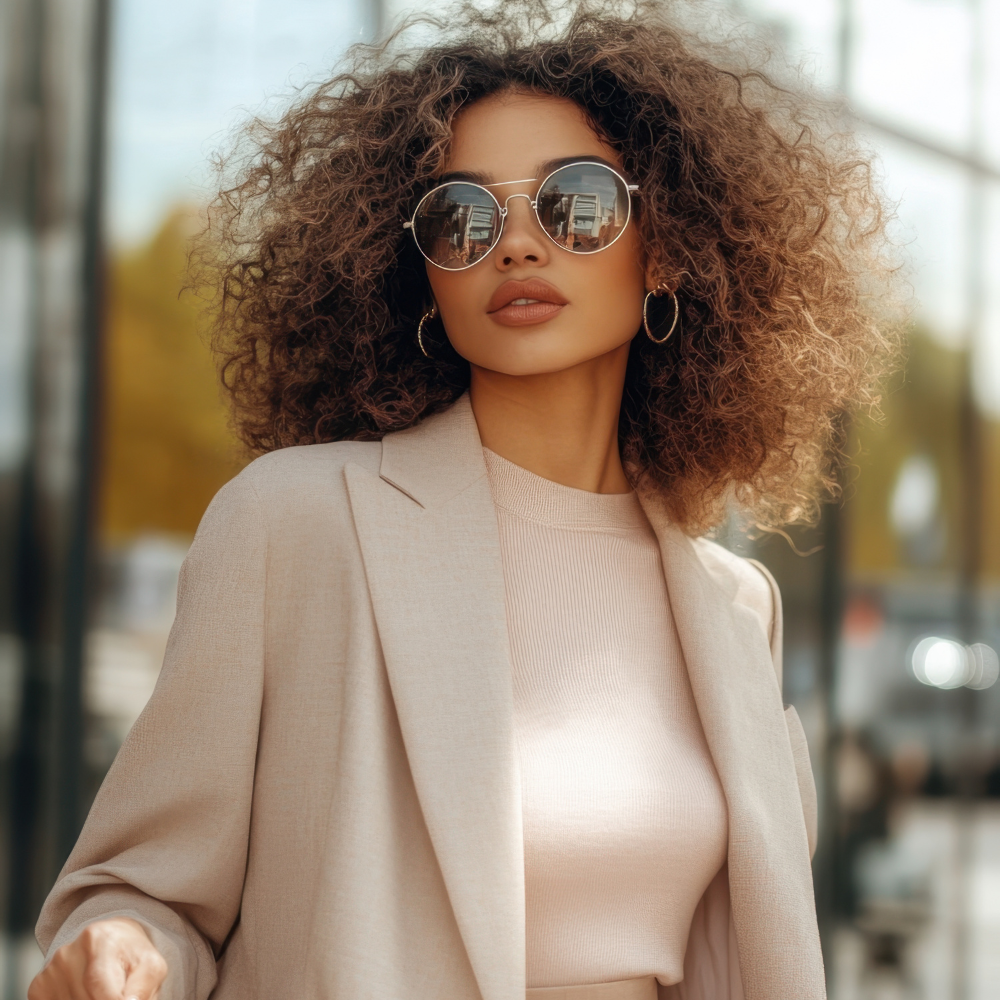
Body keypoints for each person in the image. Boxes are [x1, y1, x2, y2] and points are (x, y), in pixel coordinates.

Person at [30, 3, 895, 998]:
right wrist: (123, 947)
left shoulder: (735, 605)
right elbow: (148, 897)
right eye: (464, 217)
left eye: (574, 203)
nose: (516, 245)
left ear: (665, 248)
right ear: (424, 276)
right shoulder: (294, 523)